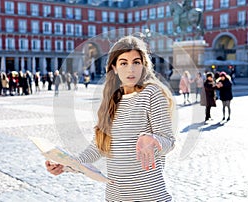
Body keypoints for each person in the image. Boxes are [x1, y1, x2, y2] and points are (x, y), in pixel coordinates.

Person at [45, 35, 176, 201]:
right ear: (114, 67)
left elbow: (169, 142)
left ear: (144, 65)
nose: (131, 69)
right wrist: (66, 164)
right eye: (124, 63)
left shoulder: (152, 94)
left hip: (149, 196)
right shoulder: (111, 100)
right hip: (115, 197)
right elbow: (98, 147)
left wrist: (153, 139)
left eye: (136, 62)